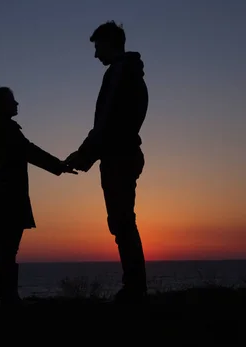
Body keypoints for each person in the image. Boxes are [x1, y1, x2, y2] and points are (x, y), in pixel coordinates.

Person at [65, 21, 149, 304]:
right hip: (123, 154)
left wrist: (84, 154)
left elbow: (107, 122)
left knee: (122, 222)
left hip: (119, 157)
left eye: (97, 46)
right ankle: (135, 286)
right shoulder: (131, 73)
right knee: (123, 221)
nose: (95, 54)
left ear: (110, 42)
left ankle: (134, 289)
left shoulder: (120, 72)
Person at [0, 86, 77, 305]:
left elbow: (28, 151)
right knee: (7, 247)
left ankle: (9, 296)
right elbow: (29, 151)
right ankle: (9, 297)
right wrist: (59, 166)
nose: (17, 104)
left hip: (9, 192)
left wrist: (58, 166)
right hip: (9, 194)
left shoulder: (3, 127)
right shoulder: (4, 128)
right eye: (12, 100)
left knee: (7, 247)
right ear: (1, 105)